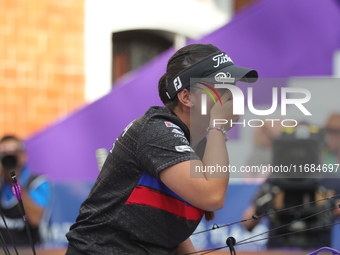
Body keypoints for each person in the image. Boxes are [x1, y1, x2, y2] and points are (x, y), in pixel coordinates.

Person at [65, 43, 258, 255]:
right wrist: (218, 126)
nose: (233, 94)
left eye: (234, 85)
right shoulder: (158, 130)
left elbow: (169, 231)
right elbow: (212, 197)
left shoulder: (197, 144)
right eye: (222, 85)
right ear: (186, 97)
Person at [0, 135, 52, 246]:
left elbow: (34, 219)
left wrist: (14, 182)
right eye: (4, 154)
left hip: (29, 249)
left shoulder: (37, 182)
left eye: (14, 152)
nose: (9, 157)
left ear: (23, 155)